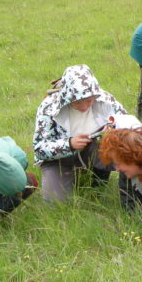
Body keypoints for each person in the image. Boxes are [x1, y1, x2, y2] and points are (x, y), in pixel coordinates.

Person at [33, 64, 129, 202]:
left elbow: (128, 126)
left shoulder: (105, 100)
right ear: (66, 97)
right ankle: (71, 176)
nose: (84, 107)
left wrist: (114, 130)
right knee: (54, 202)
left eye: (89, 101)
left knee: (118, 146)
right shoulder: (49, 107)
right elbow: (39, 149)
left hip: (93, 149)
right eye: (77, 103)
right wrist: (69, 144)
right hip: (58, 160)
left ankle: (98, 187)